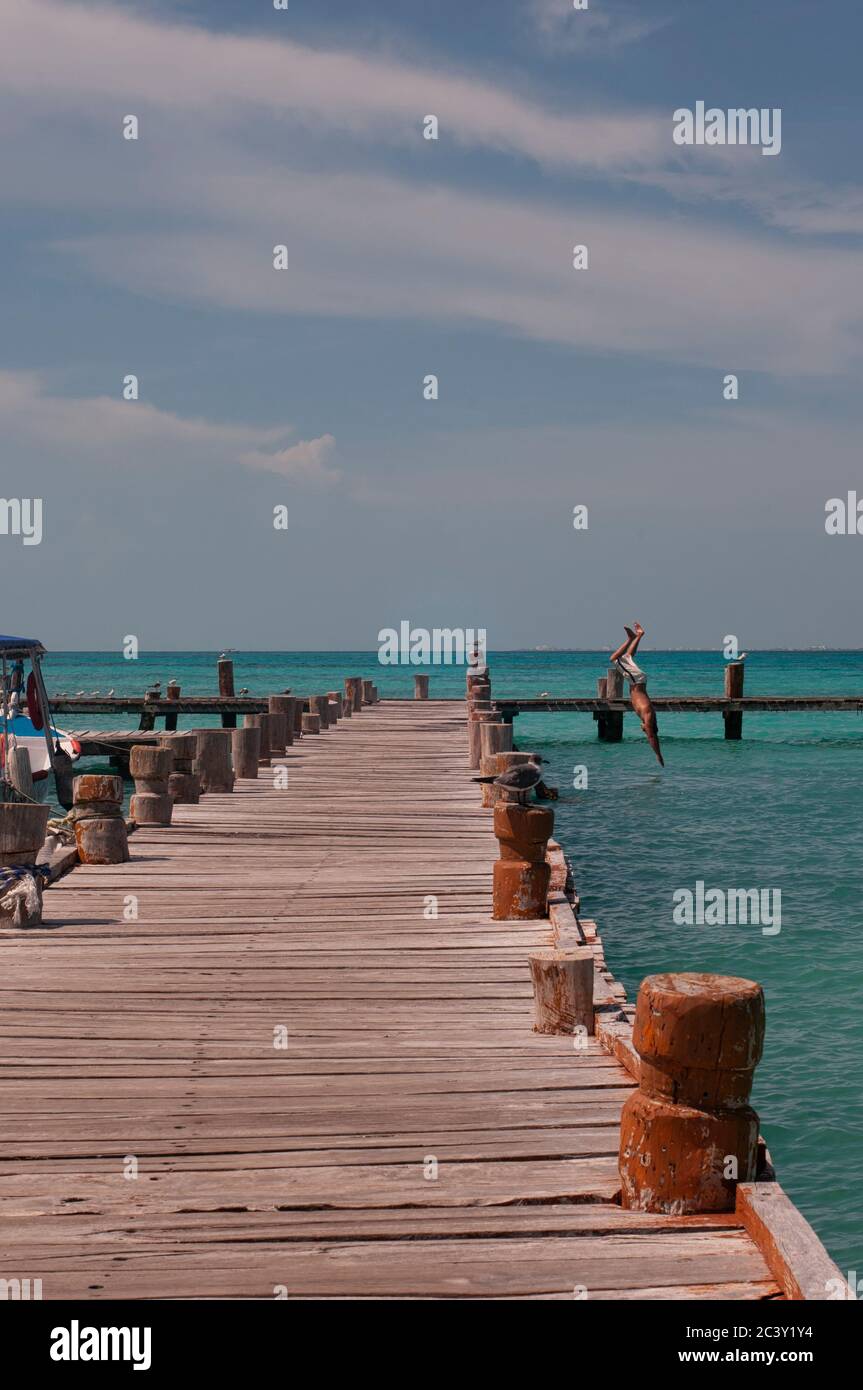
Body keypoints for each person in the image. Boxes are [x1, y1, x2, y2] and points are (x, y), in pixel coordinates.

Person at [609, 623, 664, 767]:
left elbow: (653, 733)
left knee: (627, 656)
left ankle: (638, 635)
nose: (643, 729)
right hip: (637, 681)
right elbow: (652, 736)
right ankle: (630, 638)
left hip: (637, 680)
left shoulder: (646, 715)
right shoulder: (648, 714)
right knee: (614, 659)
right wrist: (658, 755)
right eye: (645, 728)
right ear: (648, 726)